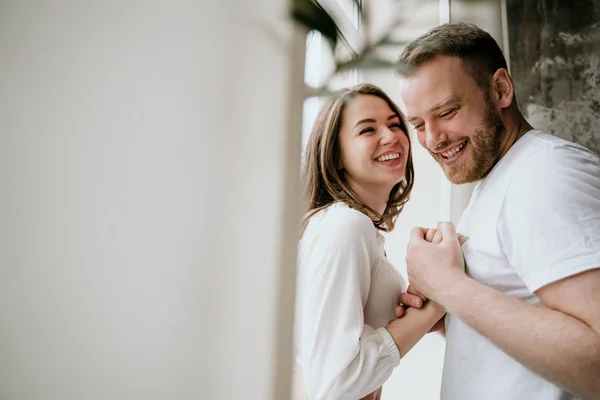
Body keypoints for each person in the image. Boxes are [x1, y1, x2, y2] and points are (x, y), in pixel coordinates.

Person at [394, 23, 600, 399]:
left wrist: (450, 286)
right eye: (419, 124)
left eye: (447, 111)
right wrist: (448, 314)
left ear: (501, 89)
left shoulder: (544, 173)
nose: (432, 139)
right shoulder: (502, 177)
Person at [292, 83, 445, 400]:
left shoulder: (347, 227)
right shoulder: (345, 225)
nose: (391, 136)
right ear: (336, 157)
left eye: (394, 123)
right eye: (367, 130)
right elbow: (334, 385)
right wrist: (435, 300)